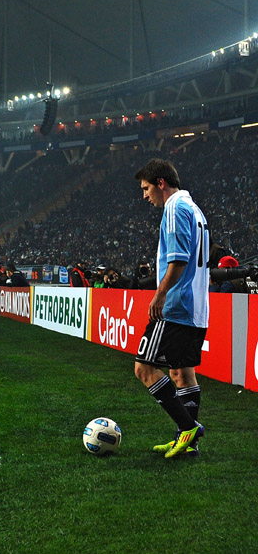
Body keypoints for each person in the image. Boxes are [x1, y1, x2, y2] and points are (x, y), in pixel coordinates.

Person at [133, 158, 209, 459]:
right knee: (181, 372)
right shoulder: (195, 209)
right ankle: (188, 441)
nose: (145, 195)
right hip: (197, 307)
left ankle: (188, 427)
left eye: (146, 188)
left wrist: (160, 295)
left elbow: (178, 260)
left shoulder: (175, 208)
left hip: (177, 306)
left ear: (160, 183)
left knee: (143, 368)